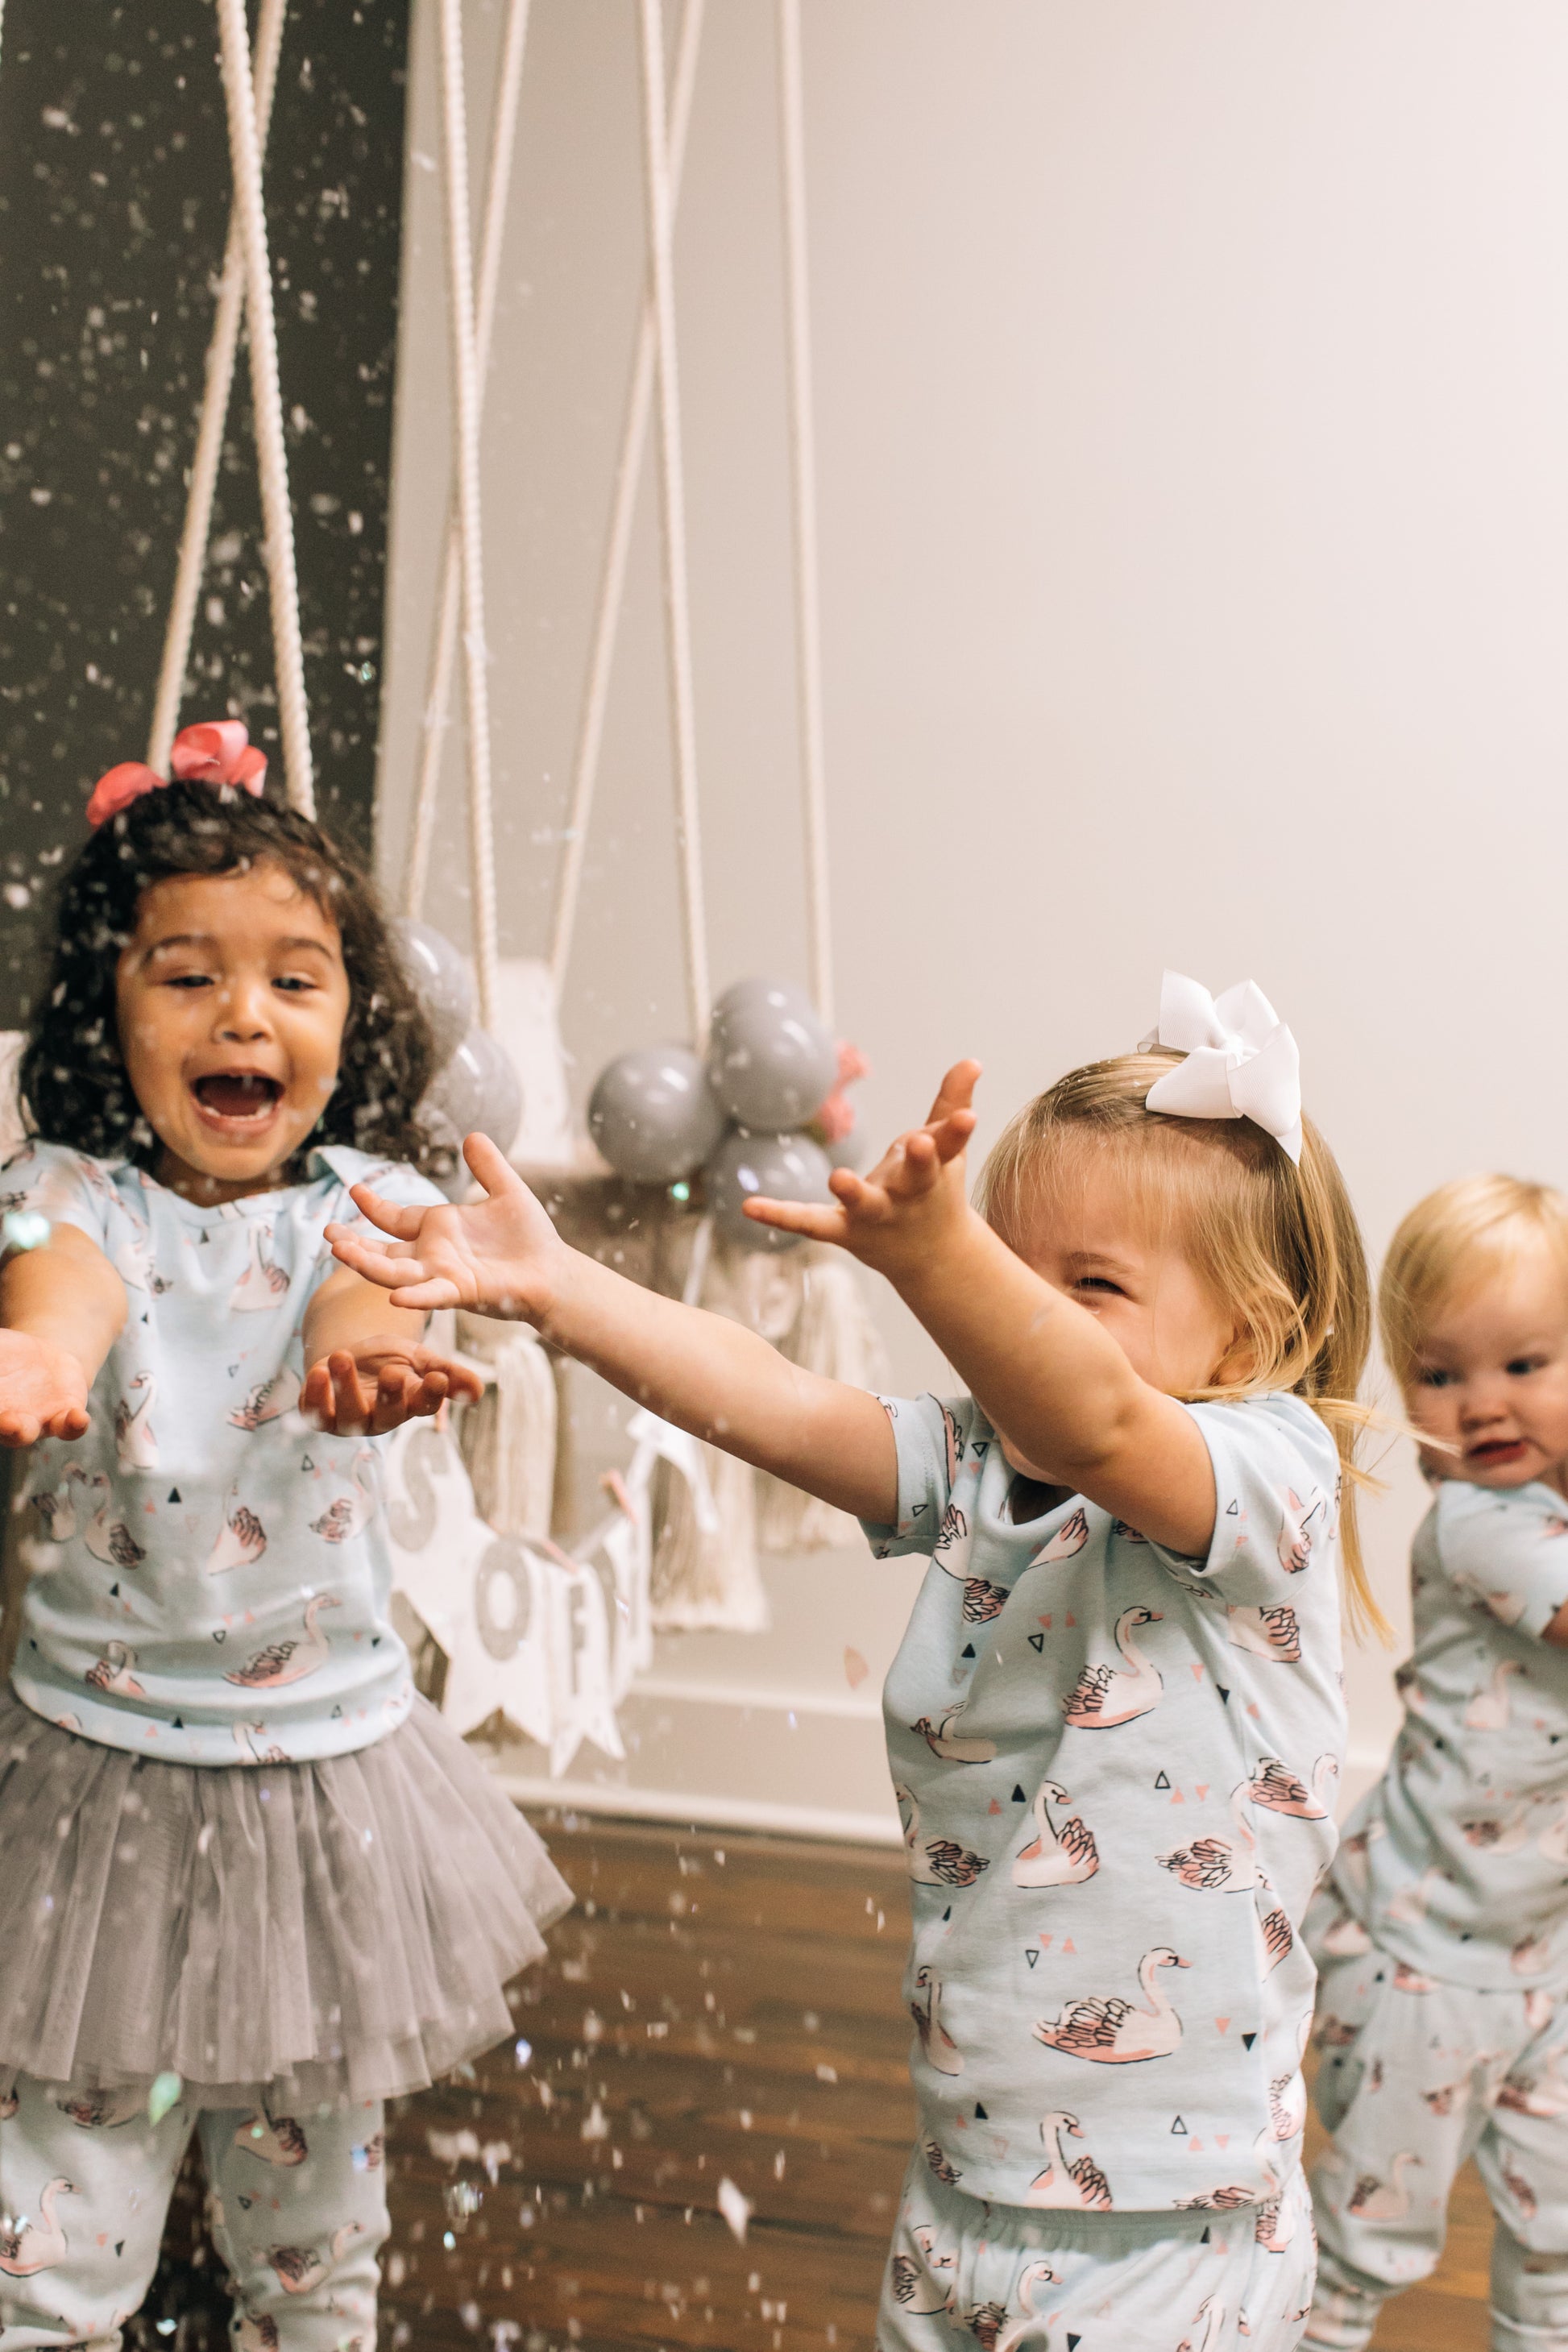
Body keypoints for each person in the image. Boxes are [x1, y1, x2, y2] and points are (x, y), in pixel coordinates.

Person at [330, 969, 1371, 2352]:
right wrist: (557, 1288)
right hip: (969, 2173)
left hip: (1172, 2223)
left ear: (1251, 1332)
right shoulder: (982, 1464)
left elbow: (1102, 1422)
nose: (1015, 1318)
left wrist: (941, 1261)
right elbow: (767, 1398)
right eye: (1010, 1267)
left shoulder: (1266, 1474)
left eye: (1088, 1287)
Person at [0, 723, 570, 2352]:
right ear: (108, 1010)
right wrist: (36, 1356)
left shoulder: (368, 1203)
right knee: (56, 2206)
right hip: (97, 1769)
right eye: (186, 976)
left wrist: (369, 1355)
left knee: (313, 2217)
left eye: (292, 980)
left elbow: (362, 1297)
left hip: (319, 1774)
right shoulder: (67, 1192)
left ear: (350, 1018)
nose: (242, 1013)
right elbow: (65, 1290)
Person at [1303, 1176, 1568, 2352]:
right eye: (1439, 1373)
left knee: (1557, 2236)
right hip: (1427, 1958)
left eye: (1526, 1364)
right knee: (1370, 2233)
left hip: (1541, 1949)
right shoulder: (1479, 1524)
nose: (1481, 1404)